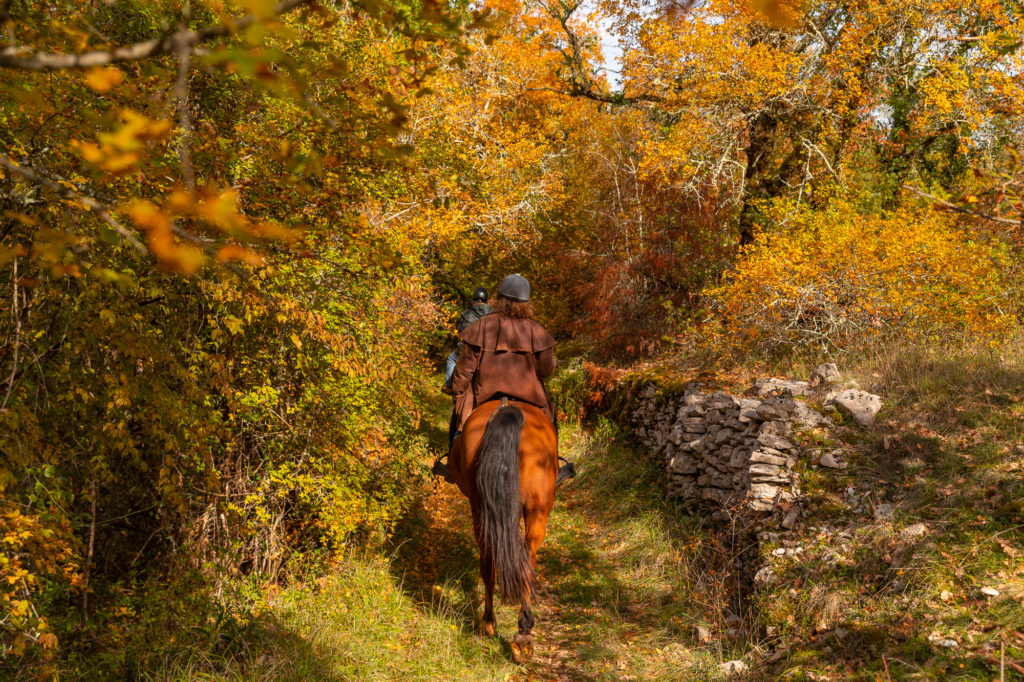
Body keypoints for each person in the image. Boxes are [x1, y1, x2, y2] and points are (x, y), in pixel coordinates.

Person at [434, 274, 574, 486]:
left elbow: (464, 371)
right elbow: (546, 371)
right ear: (527, 303)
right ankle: (553, 464)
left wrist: (455, 389)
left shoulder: (480, 327)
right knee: (550, 422)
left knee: (459, 422)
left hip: (483, 398)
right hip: (530, 398)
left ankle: (453, 467)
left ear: (498, 298)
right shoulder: (537, 331)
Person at [443, 287, 491, 393]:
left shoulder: (466, 313)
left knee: (452, 359)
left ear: (474, 298)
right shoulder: (493, 314)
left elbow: (459, 329)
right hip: (489, 349)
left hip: (469, 348)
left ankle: (449, 386)